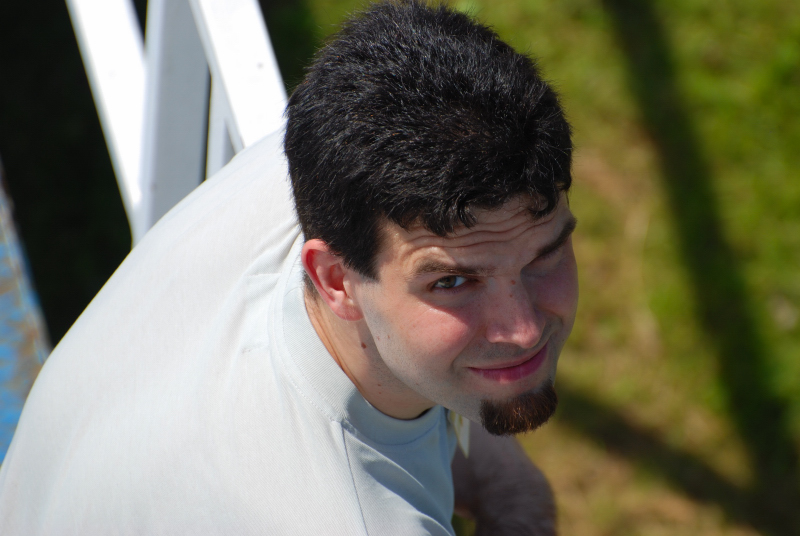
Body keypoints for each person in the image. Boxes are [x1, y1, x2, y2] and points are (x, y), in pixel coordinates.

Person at [0, 1, 577, 534]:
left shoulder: (328, 171)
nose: (523, 329)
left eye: (544, 255)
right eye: (451, 281)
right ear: (334, 280)